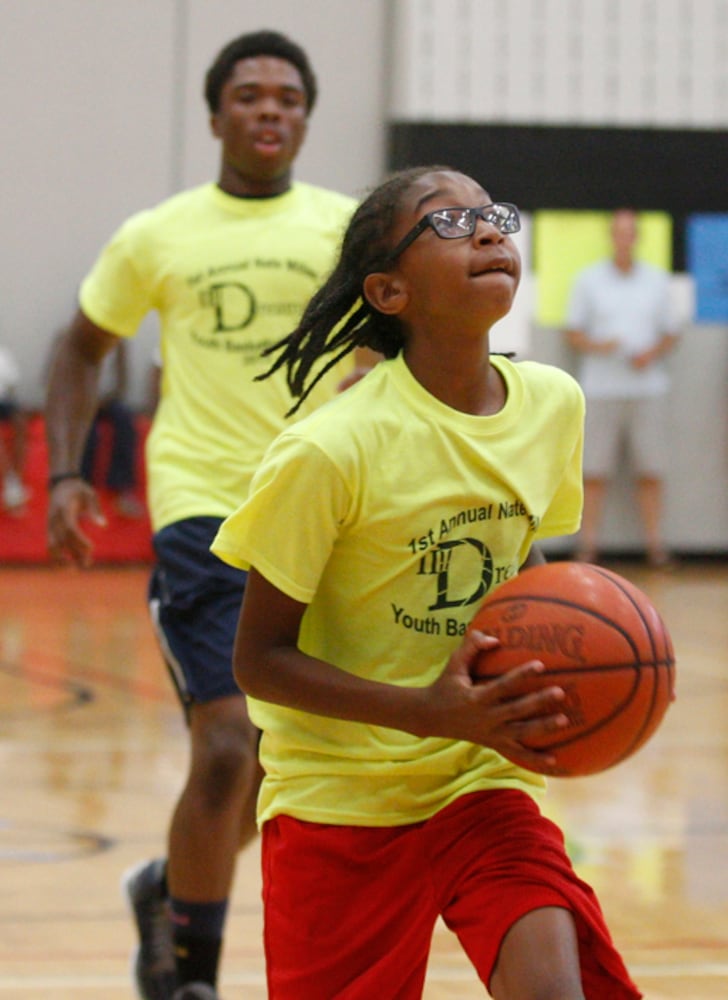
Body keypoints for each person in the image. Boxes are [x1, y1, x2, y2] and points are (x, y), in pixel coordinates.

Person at [211, 166, 642, 999]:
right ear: (389, 290)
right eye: (448, 224)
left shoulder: (552, 404)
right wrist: (423, 711)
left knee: (558, 987)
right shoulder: (331, 450)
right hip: (340, 802)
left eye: (492, 216)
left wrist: (561, 654)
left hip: (479, 777)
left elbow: (525, 571)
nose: (486, 231)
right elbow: (258, 660)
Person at [45, 29, 358, 1000]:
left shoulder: (351, 231)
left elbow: (400, 346)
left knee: (279, 764)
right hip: (207, 512)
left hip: (325, 514)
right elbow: (79, 347)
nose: (270, 110)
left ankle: (168, 888)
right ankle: (193, 976)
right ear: (215, 113)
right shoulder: (160, 233)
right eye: (251, 95)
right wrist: (64, 472)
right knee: (228, 742)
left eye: (288, 98)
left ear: (306, 117)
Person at [564, 208, 679, 568]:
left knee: (651, 469)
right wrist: (604, 347)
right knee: (594, 469)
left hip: (648, 389)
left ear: (638, 236)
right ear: (611, 236)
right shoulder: (589, 280)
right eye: (619, 231)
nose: (624, 238)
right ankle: (588, 546)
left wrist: (650, 353)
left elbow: (671, 331)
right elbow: (573, 331)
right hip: (601, 387)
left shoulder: (657, 281)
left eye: (631, 232)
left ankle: (655, 547)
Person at [80, 341, 145, 518]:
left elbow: (121, 382)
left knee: (125, 421)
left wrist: (108, 398)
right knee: (87, 433)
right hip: (83, 399)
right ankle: (81, 488)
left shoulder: (118, 343)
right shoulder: (71, 338)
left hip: (108, 400)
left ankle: (122, 488)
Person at [0, 343, 29, 513]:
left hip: (4, 401)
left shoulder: (3, 354)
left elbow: (11, 387)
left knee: (20, 421)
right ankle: (10, 483)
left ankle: (16, 479)